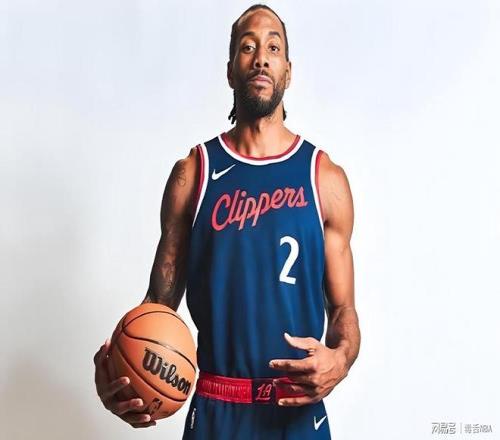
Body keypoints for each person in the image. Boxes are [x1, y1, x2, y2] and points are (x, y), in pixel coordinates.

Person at [94, 4, 361, 439]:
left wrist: (341, 356)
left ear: (288, 71)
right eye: (248, 47)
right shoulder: (194, 174)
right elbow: (158, 304)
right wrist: (122, 373)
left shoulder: (324, 179)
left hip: (296, 412)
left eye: (273, 48)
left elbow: (344, 309)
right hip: (217, 411)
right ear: (230, 70)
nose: (261, 58)